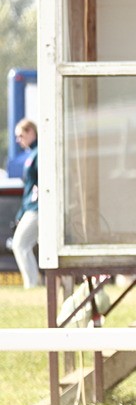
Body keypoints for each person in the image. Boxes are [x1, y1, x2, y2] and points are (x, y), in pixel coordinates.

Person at [12, 118, 40, 288]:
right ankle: (35, 283)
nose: (18, 140)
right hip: (31, 207)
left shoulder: (39, 152)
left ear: (31, 131)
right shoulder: (32, 154)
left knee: (20, 244)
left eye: (21, 135)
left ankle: (32, 284)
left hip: (38, 208)